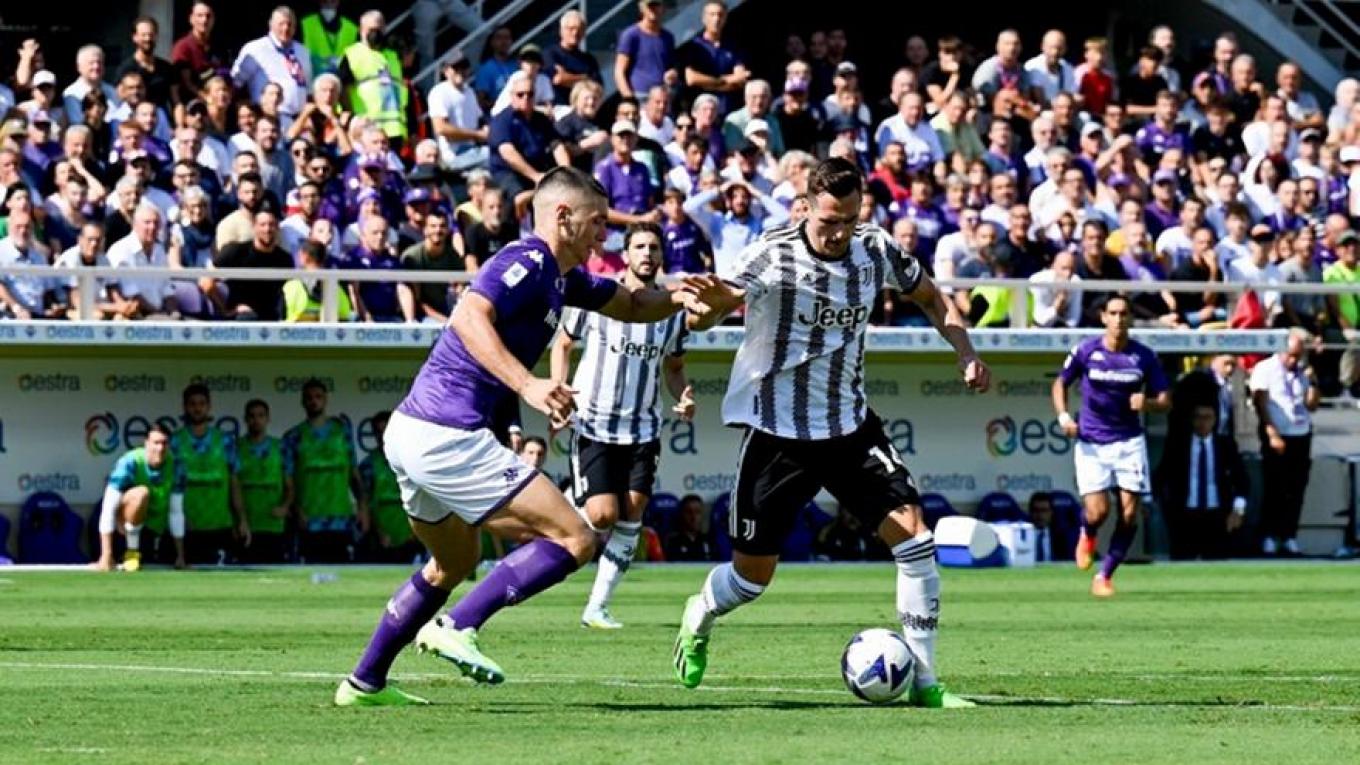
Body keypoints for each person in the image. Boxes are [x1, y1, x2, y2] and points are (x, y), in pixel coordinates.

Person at [334, 166, 730, 706]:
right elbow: (469, 315)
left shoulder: (566, 279)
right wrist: (529, 384)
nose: (604, 235)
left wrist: (689, 296)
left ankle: (364, 683)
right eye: (597, 222)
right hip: (447, 433)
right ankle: (457, 625)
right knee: (576, 538)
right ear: (563, 216)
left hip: (414, 432)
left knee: (452, 563)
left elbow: (636, 305)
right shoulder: (527, 260)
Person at [669, 158, 990, 708]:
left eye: (848, 220)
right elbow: (712, 308)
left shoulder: (875, 248)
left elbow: (931, 297)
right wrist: (709, 307)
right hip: (779, 434)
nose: (839, 233)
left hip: (849, 428)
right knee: (751, 579)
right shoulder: (772, 253)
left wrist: (965, 351)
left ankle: (926, 683)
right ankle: (700, 613)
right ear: (805, 209)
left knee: (916, 539)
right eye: (827, 222)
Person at [549, 223, 696, 629]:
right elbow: (563, 343)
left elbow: (674, 367)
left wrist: (683, 394)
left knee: (632, 514)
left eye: (654, 247)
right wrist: (558, 388)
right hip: (594, 423)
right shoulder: (598, 295)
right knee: (602, 516)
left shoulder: (673, 311)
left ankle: (597, 607)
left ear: (662, 256)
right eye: (639, 247)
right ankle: (556, 514)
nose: (647, 253)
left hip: (643, 429)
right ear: (626, 254)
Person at [1052, 295, 1171, 598]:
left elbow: (1166, 400)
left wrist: (1149, 403)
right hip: (1092, 442)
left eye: (1124, 313)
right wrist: (1064, 416)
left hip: (1129, 441)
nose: (1119, 319)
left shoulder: (1144, 356)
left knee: (1130, 514)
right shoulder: (1086, 351)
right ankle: (1087, 532)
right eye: (1113, 313)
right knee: (1098, 512)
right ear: (1104, 317)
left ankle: (1104, 575)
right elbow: (1060, 383)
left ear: (1130, 318)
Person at [1249, 331, 1320, 556]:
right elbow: (1260, 403)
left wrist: (1313, 382)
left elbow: (1311, 405)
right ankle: (1269, 534)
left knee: (1296, 488)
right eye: (1291, 355)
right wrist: (1271, 433)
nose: (1293, 360)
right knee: (1275, 487)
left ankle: (1289, 535)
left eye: (1298, 356)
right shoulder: (1265, 368)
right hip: (1278, 432)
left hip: (1301, 433)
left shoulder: (1302, 372)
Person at [285, 379, 368, 564]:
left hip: (341, 517)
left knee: (342, 571)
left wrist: (362, 508)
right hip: (309, 519)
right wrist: (297, 510)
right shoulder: (294, 436)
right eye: (309, 398)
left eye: (318, 397)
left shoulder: (342, 432)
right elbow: (288, 481)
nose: (314, 401)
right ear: (302, 402)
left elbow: (353, 473)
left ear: (326, 399)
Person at [1154, 404, 1249, 560]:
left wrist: (1238, 510)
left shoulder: (1225, 445)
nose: (1202, 422)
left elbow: (1242, 479)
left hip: (1217, 516)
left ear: (1215, 420)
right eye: (1198, 417)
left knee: (1217, 562)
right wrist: (1152, 501)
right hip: (1185, 516)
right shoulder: (1179, 445)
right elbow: (1162, 474)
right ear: (1192, 420)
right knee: (1183, 561)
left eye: (1207, 418)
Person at [95, 424, 186, 572]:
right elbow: (108, 509)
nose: (160, 448)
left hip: (152, 531)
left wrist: (180, 556)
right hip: (122, 531)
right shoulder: (130, 462)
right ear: (147, 443)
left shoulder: (176, 466)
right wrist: (106, 554)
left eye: (164, 443)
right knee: (141, 494)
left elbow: (176, 512)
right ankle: (131, 553)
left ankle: (139, 554)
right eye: (156, 443)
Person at [172, 384, 243, 565]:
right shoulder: (174, 441)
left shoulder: (225, 440)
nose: (197, 408)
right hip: (186, 527)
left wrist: (241, 519)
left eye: (202, 403)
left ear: (209, 406)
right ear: (185, 407)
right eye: (192, 404)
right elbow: (168, 484)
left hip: (220, 526)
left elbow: (234, 482)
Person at [236, 399, 293, 563]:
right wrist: (238, 519)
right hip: (247, 524)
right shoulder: (236, 447)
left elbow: (290, 486)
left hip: (273, 523)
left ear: (268, 419)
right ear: (245, 419)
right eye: (252, 416)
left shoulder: (280, 447)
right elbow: (232, 486)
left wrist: (285, 507)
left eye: (261, 416)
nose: (256, 420)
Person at [338, 11, 408, 145]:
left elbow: (402, 91)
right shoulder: (352, 54)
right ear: (361, 30)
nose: (375, 33)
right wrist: (352, 116)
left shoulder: (393, 56)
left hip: (396, 129)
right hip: (367, 129)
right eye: (371, 30)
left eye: (379, 29)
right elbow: (342, 88)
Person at [232, 7, 312, 124]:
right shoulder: (255, 49)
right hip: (266, 119)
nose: (285, 28)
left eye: (289, 24)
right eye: (281, 24)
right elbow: (236, 84)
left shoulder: (302, 51)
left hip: (298, 119)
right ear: (271, 25)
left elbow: (308, 87)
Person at [360, 411, 421, 564]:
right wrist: (377, 532)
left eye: (386, 431)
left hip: (411, 534)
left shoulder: (412, 463)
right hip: (380, 536)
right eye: (378, 432)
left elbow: (421, 499)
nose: (383, 437)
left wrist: (416, 532)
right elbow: (365, 504)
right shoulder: (368, 465)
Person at [214, 205, 293, 320]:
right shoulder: (235, 252)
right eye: (262, 225)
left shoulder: (285, 258)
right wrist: (225, 311)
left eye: (271, 224)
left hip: (273, 318)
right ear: (254, 227)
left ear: (277, 228)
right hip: (242, 318)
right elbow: (206, 282)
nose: (267, 229)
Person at [427, 52, 488, 172]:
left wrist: (486, 129)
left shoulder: (469, 92)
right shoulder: (439, 92)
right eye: (456, 68)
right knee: (492, 155)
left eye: (464, 67)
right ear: (446, 71)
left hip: (472, 151)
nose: (460, 71)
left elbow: (480, 119)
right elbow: (441, 128)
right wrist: (477, 135)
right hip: (453, 156)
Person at [401, 212, 466, 324]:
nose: (438, 230)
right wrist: (443, 320)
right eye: (433, 226)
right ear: (425, 230)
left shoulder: (453, 256)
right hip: (421, 315)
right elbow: (418, 301)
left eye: (442, 226)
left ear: (448, 230)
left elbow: (460, 288)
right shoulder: (413, 256)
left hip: (448, 310)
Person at [614, 0, 677, 101]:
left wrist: (672, 74)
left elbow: (670, 67)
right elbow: (619, 71)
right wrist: (629, 98)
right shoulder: (631, 35)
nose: (653, 9)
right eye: (650, 6)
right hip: (639, 95)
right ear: (641, 8)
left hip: (662, 96)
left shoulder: (668, 37)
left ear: (663, 8)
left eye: (657, 5)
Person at [544, 10, 600, 106]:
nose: (575, 33)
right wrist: (585, 78)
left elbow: (597, 86)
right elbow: (559, 79)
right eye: (571, 28)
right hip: (558, 108)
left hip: (582, 108)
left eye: (579, 29)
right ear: (561, 31)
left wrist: (568, 77)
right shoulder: (550, 54)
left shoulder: (589, 59)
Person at [299, 0, 358, 75]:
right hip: (313, 77)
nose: (329, 4)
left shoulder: (352, 28)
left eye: (332, 1)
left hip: (342, 78)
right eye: (325, 1)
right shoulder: (305, 24)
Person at [664, 495, 713, 562]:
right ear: (682, 514)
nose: (694, 517)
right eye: (689, 512)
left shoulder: (710, 541)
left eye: (697, 512)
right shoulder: (673, 543)